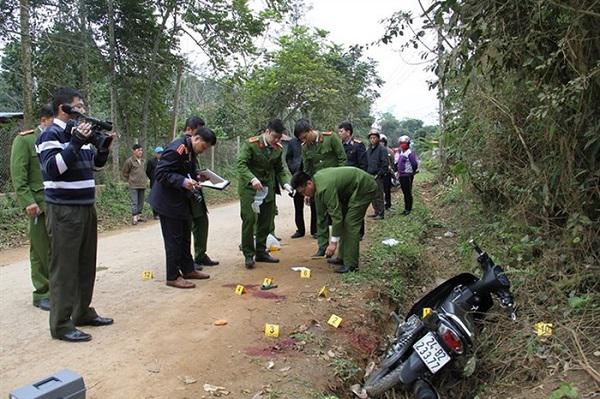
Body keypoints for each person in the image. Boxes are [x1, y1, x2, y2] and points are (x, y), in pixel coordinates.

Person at [36, 87, 114, 342]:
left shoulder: (76, 134)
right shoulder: (51, 134)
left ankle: (82, 313)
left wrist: (102, 148)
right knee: (64, 268)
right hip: (64, 210)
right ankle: (61, 324)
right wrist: (77, 142)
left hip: (85, 206)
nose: (83, 110)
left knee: (85, 264)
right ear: (64, 108)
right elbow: (52, 169)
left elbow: (94, 164)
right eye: (79, 106)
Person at [149, 127, 216, 288]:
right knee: (173, 240)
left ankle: (188, 269)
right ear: (197, 138)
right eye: (204, 147)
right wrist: (184, 182)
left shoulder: (190, 150)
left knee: (185, 236)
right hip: (167, 202)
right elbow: (161, 173)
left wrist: (197, 178)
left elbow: (183, 170)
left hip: (181, 200)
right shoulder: (177, 149)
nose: (204, 151)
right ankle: (172, 276)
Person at [291, 167, 377, 273]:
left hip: (363, 187)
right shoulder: (317, 184)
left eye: (304, 191)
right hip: (350, 190)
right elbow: (321, 217)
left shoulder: (324, 188)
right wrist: (323, 245)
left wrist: (333, 243)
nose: (305, 195)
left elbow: (336, 217)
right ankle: (342, 257)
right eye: (301, 194)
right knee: (346, 221)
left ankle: (351, 264)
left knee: (350, 223)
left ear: (309, 183)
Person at [10, 104, 54, 311]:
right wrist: (28, 201)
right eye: (53, 121)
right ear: (44, 120)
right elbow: (18, 175)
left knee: (57, 248)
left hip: (57, 203)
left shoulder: (58, 140)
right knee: (40, 249)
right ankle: (42, 292)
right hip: (38, 204)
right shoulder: (26, 140)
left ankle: (57, 288)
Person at [238, 119, 292, 269]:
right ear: (267, 132)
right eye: (274, 136)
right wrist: (252, 178)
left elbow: (279, 169)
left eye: (279, 138)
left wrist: (285, 183)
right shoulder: (251, 144)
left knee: (265, 221)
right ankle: (249, 254)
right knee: (249, 220)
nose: (276, 140)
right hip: (250, 189)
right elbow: (241, 164)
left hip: (267, 189)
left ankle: (261, 251)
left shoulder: (278, 148)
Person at [294, 119, 347, 256]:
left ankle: (342, 250)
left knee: (339, 216)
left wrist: (340, 180)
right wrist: (306, 192)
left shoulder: (331, 138)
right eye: (302, 139)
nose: (305, 140)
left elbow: (342, 159)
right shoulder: (305, 147)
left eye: (305, 137)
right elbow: (307, 170)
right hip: (318, 187)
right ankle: (322, 247)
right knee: (320, 217)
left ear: (311, 130)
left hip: (336, 185)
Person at [178, 116, 219, 267]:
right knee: (186, 227)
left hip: (195, 190)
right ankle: (187, 260)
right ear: (189, 130)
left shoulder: (194, 147)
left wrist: (199, 176)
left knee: (202, 221)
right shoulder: (179, 146)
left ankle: (200, 254)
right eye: (198, 131)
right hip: (184, 192)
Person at [285, 135, 316, 239]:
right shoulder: (292, 143)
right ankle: (300, 230)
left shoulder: (311, 141)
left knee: (314, 205)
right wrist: (293, 168)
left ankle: (315, 230)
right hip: (297, 177)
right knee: (298, 206)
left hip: (309, 177)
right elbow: (288, 157)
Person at [122, 143, 148, 225]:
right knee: (134, 201)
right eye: (138, 150)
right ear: (134, 151)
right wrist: (130, 180)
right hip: (133, 185)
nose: (140, 152)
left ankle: (139, 216)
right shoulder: (129, 161)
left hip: (142, 184)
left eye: (141, 150)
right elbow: (125, 172)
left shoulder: (143, 161)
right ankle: (134, 218)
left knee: (141, 201)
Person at [366, 129, 388, 220]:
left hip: (378, 175)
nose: (372, 139)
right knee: (372, 195)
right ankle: (376, 211)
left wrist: (379, 174)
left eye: (374, 138)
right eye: (371, 138)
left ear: (378, 138)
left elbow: (384, 163)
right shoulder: (369, 149)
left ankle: (381, 213)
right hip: (369, 174)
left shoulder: (382, 149)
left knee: (379, 195)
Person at [397, 135, 419, 215]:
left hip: (407, 175)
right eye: (401, 143)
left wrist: (412, 172)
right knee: (405, 192)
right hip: (402, 175)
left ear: (408, 144)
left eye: (404, 143)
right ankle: (406, 208)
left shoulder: (409, 153)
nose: (402, 144)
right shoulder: (402, 152)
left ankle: (408, 209)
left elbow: (414, 164)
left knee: (407, 193)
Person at [145, 146, 163, 219]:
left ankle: (162, 213)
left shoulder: (164, 161)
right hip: (154, 182)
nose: (160, 154)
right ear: (155, 154)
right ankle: (155, 214)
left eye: (161, 152)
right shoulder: (151, 161)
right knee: (155, 198)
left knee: (162, 198)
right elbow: (148, 171)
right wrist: (152, 178)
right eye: (158, 153)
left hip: (162, 182)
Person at [380, 134, 395, 211]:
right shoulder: (375, 151)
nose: (381, 143)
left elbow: (392, 163)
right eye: (379, 141)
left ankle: (388, 205)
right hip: (379, 174)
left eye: (382, 141)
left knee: (387, 190)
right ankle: (380, 206)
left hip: (387, 173)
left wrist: (391, 171)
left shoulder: (389, 151)